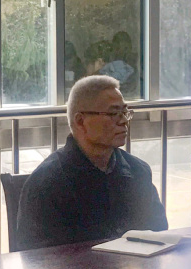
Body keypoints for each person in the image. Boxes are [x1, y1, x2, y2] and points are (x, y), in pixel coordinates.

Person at [16, 75, 168, 250]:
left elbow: (159, 234)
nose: (124, 121)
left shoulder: (138, 171)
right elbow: (36, 256)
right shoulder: (47, 183)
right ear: (80, 121)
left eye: (125, 112)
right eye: (113, 114)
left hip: (135, 266)